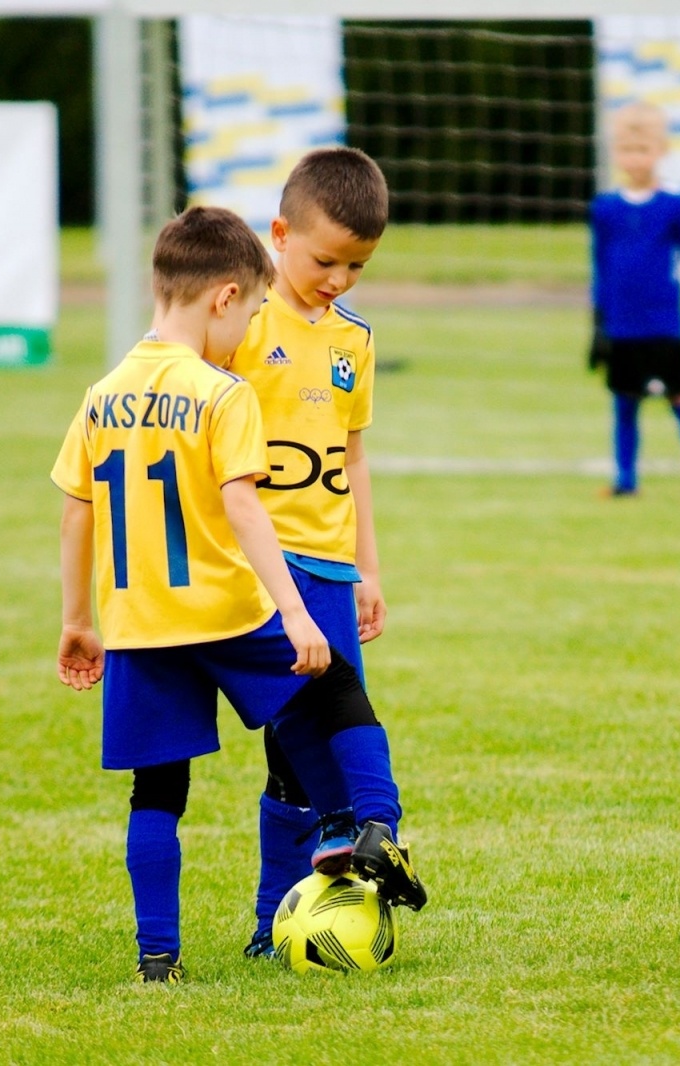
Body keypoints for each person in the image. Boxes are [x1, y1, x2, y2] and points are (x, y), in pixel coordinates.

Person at [51, 206, 425, 985]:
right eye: (251, 309)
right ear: (224, 298)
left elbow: (76, 509)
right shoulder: (220, 392)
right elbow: (245, 505)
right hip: (223, 606)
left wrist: (77, 621)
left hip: (136, 621)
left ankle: (159, 959)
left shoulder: (101, 393)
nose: (250, 324)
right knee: (330, 688)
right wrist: (291, 609)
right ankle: (373, 823)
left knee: (156, 790)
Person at [227, 147, 400, 959]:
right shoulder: (241, 324)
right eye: (325, 259)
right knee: (304, 718)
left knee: (295, 753)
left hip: (330, 565)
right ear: (279, 234)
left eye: (358, 265)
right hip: (260, 560)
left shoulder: (353, 342)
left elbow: (354, 456)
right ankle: (359, 836)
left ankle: (280, 922)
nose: (338, 278)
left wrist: (368, 565)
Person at [588, 100, 680, 499]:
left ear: (660, 151)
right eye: (627, 150)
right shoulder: (605, 209)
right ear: (616, 154)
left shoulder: (673, 205)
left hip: (664, 323)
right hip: (622, 324)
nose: (635, 158)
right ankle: (625, 481)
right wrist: (598, 324)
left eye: (643, 149)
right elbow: (600, 268)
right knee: (624, 402)